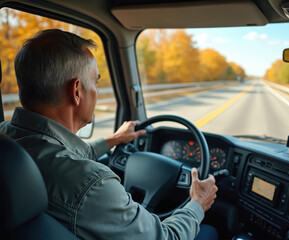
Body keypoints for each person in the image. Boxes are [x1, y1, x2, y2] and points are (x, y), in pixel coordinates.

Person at [0, 29, 218, 239]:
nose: (96, 90)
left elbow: (60, 156)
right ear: (76, 91)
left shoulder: (7, 141)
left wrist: (113, 139)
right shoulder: (92, 184)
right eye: (96, 81)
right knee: (209, 231)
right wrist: (198, 202)